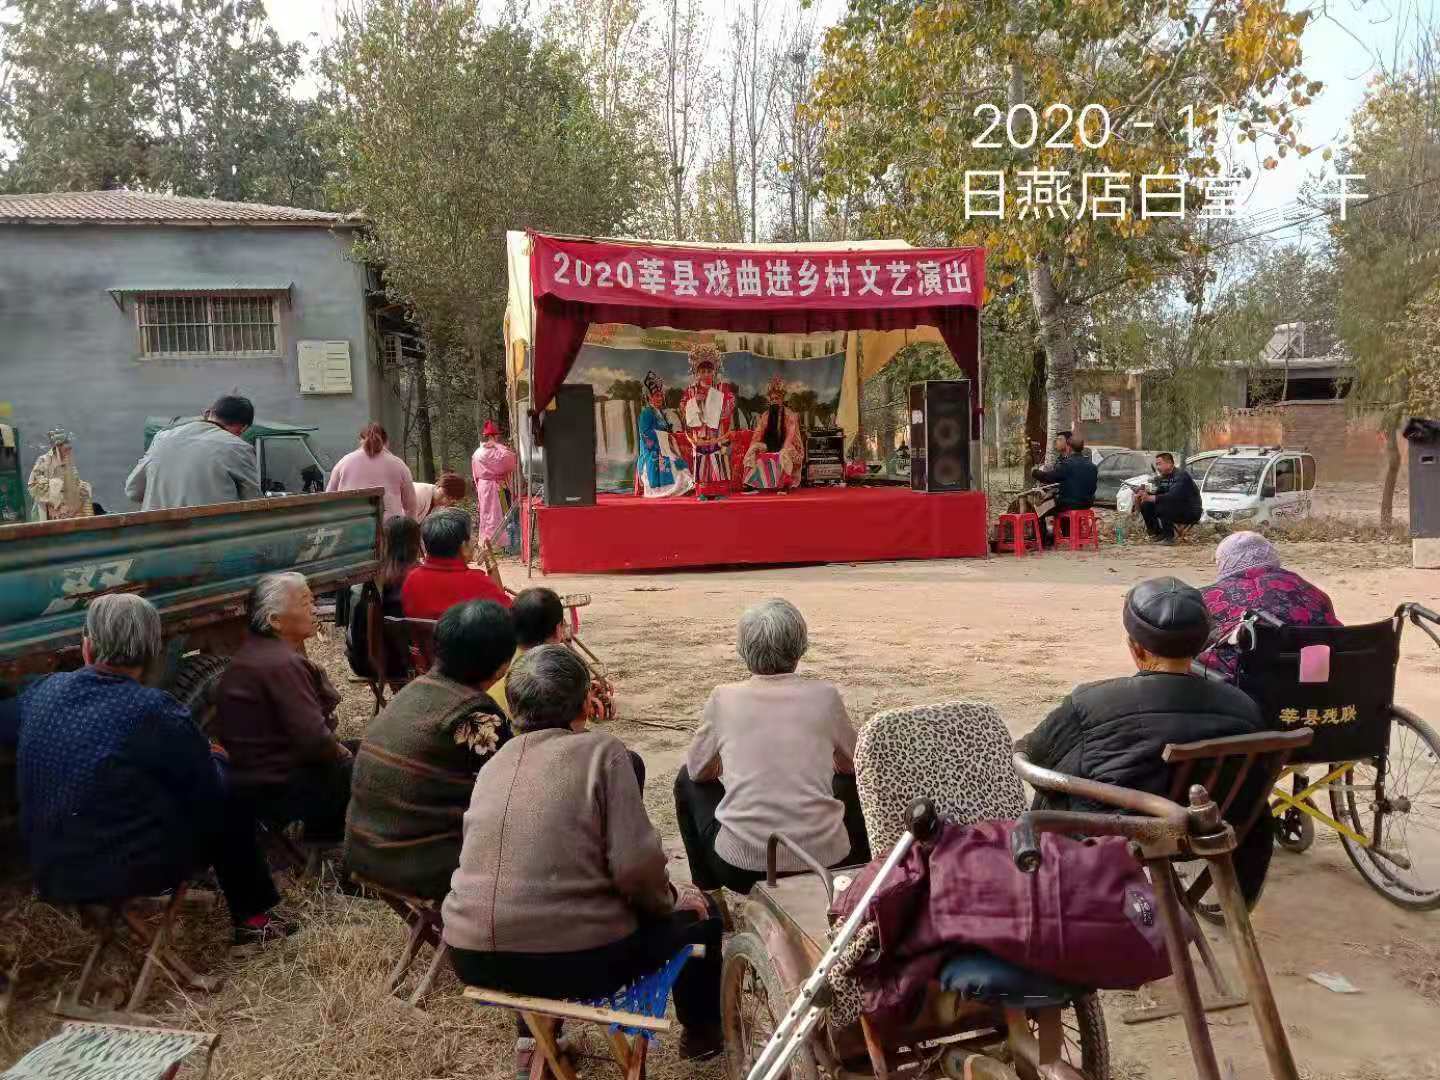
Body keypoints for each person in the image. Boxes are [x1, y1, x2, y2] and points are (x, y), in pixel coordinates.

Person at [443, 646, 724, 1069]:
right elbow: (636, 870)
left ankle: (533, 1041)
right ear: (584, 703)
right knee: (703, 916)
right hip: (578, 961)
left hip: (470, 955)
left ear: (514, 707)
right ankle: (703, 1040)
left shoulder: (494, 764)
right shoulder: (604, 753)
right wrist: (670, 899)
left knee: (534, 919)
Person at [16, 595, 294, 951]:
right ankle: (253, 921)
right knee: (228, 798)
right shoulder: (154, 711)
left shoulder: (41, 692)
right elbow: (208, 791)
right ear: (151, 653)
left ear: (87, 647)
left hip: (50, 873)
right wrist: (219, 759)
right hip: (126, 873)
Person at [1014, 577, 1271, 900]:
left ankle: (1050, 898)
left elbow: (1037, 763)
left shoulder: (1091, 703)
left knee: (1056, 786)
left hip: (1114, 840)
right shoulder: (1244, 707)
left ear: (1135, 648)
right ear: (1202, 644)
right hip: (1207, 833)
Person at [674, 599, 870, 896]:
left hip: (742, 869)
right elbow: (856, 763)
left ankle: (709, 896)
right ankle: (861, 882)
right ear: (800, 647)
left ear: (743, 650)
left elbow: (698, 771)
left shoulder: (723, 698)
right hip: (826, 861)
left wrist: (736, 762)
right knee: (854, 781)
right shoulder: (826, 696)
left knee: (686, 781)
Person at [345, 600, 514, 901]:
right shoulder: (475, 715)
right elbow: (512, 792)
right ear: (502, 666)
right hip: (414, 865)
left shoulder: (415, 689)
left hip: (365, 852)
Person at [213, 573, 355, 845]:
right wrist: (341, 752)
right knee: (363, 762)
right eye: (305, 602)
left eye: (313, 601)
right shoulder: (283, 663)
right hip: (279, 789)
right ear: (275, 620)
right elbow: (315, 740)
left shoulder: (252, 654)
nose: (314, 609)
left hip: (249, 780)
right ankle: (321, 839)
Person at [1197, 531, 1341, 681]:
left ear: (1223, 563)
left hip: (1236, 687)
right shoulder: (1312, 592)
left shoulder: (1206, 597)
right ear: (1272, 557)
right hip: (1315, 681)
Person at [124, 395, 260, 510]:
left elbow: (133, 492)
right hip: (212, 530)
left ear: (208, 413)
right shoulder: (238, 447)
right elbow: (254, 503)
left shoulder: (162, 437)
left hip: (156, 529)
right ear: (243, 428)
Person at [345, 515, 422, 682]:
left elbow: (355, 629)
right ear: (416, 544)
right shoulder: (422, 580)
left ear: (383, 542)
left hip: (368, 664)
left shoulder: (368, 579)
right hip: (414, 664)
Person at [401, 508, 511, 621]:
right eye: (471, 535)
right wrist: (492, 566)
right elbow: (507, 614)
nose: (474, 540)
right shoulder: (477, 583)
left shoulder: (411, 579)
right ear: (463, 547)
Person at [326, 422, 416, 521]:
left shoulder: (343, 463)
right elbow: (410, 507)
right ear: (386, 442)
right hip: (389, 526)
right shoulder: (399, 465)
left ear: (360, 441)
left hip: (350, 525)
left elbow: (327, 500)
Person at [680, 344, 736, 501]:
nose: (706, 374)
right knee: (701, 459)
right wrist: (694, 402)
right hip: (700, 434)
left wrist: (720, 404)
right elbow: (683, 408)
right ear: (697, 373)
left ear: (714, 371)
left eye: (709, 371)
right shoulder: (691, 391)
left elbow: (730, 404)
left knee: (717, 458)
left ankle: (719, 491)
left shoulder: (722, 388)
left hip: (717, 433)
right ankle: (702, 491)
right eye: (702, 371)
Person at [1030, 431, 1098, 545]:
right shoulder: (1092, 466)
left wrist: (1035, 472)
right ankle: (1070, 536)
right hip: (1087, 503)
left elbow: (1049, 477)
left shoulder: (1067, 464)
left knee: (1039, 510)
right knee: (1062, 503)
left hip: (1068, 503)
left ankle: (1043, 540)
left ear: (1069, 447)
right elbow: (1093, 488)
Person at [635, 371, 694, 499]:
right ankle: (667, 490)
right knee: (666, 461)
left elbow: (664, 429)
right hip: (652, 450)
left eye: (661, 396)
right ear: (649, 397)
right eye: (656, 396)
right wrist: (663, 436)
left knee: (676, 460)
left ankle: (686, 486)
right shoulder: (646, 413)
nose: (660, 399)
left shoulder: (659, 413)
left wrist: (668, 435)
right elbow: (645, 433)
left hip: (663, 447)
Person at [742, 375, 804, 492]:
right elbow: (758, 434)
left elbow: (791, 437)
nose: (775, 401)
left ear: (782, 399)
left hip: (787, 446)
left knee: (785, 452)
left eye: (777, 398)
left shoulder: (790, 415)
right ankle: (750, 482)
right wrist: (756, 445)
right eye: (772, 399)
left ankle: (785, 484)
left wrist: (783, 448)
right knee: (754, 447)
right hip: (769, 445)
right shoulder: (765, 415)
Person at [27, 429, 93, 521]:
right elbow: (33, 484)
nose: (69, 448)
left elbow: (75, 482)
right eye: (65, 444)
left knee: (85, 489)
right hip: (50, 508)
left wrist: (80, 488)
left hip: (69, 508)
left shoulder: (69, 463)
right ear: (58, 446)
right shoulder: (44, 461)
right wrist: (56, 487)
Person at [1138, 452, 1202, 544]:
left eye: (1159, 464)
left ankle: (1169, 537)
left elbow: (1172, 496)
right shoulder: (1165, 477)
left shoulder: (1181, 475)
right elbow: (1159, 494)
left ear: (1169, 463)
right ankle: (1157, 534)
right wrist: (1144, 494)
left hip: (1191, 511)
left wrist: (1151, 497)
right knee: (1146, 505)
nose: (1157, 467)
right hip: (1176, 508)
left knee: (1163, 504)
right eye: (1156, 465)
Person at [471, 420, 517, 547]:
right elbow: (510, 461)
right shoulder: (498, 451)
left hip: (483, 486)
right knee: (499, 514)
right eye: (497, 435)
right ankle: (500, 542)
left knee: (486, 515)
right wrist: (500, 447)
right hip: (495, 487)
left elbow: (475, 473)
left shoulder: (477, 453)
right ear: (494, 436)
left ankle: (487, 541)